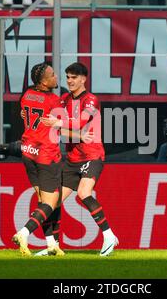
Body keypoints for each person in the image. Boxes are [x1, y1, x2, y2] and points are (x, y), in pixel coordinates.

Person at [39, 62, 118, 257]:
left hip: (92, 155)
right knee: (53, 202)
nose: (70, 81)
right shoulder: (64, 99)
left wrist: (61, 124)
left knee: (83, 193)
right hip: (72, 159)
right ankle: (54, 247)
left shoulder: (91, 100)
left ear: (83, 79)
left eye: (74, 77)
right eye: (67, 77)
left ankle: (109, 236)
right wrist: (74, 132)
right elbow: (62, 130)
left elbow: (81, 122)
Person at [11, 62, 62, 257]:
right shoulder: (53, 101)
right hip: (45, 154)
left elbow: (25, 113)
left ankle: (51, 245)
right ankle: (24, 233)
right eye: (52, 75)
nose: (56, 77)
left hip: (28, 152)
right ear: (43, 82)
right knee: (50, 203)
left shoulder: (26, 96)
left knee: (44, 202)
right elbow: (64, 125)